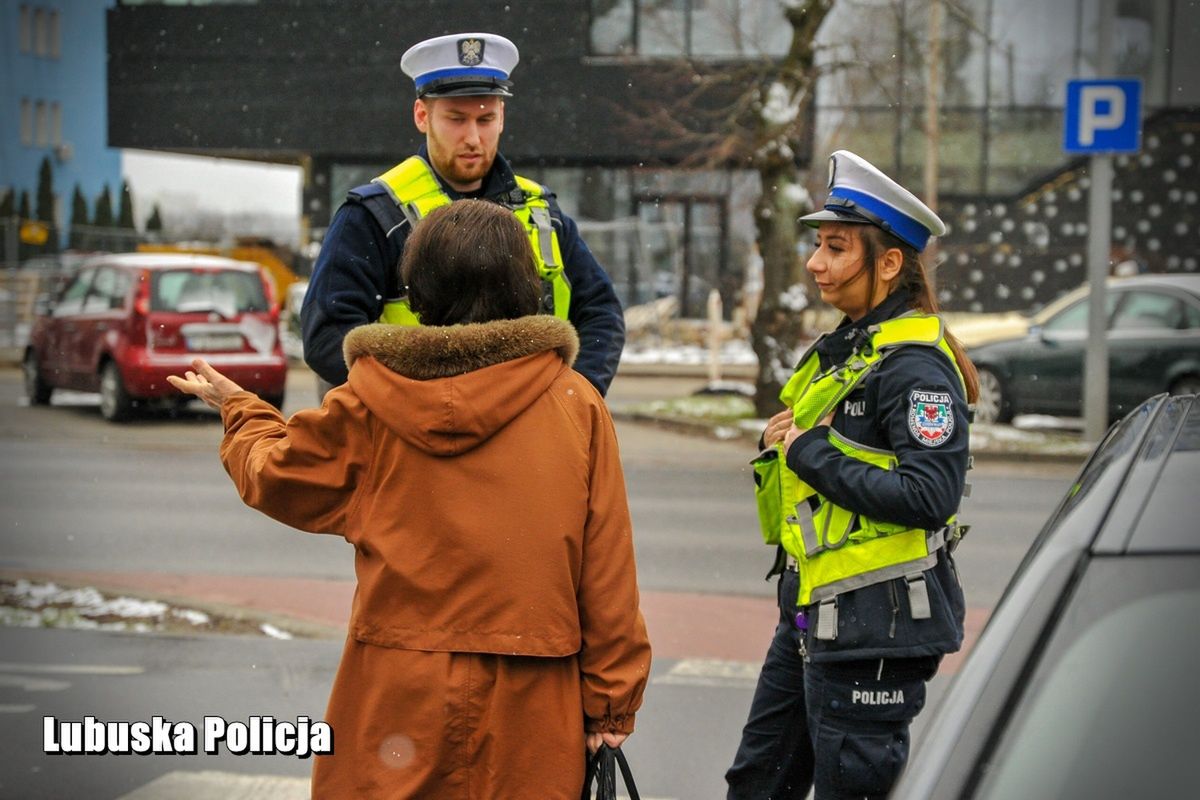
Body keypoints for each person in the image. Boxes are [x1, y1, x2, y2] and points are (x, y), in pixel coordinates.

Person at [170, 199, 651, 798]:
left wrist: (241, 411)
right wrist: (609, 705)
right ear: (526, 287)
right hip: (533, 688)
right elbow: (606, 568)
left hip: (398, 685)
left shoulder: (369, 401)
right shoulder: (576, 404)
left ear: (418, 291)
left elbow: (275, 474)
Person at [726, 150, 979, 800]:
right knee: (757, 784)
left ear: (889, 263)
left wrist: (810, 451)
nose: (815, 263)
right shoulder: (854, 347)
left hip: (877, 630)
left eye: (835, 248)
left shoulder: (916, 370)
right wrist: (782, 441)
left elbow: (930, 494)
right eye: (817, 245)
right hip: (815, 618)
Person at [301, 31, 625, 397]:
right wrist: (418, 407)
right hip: (418, 441)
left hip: (528, 438)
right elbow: (327, 337)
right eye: (456, 119)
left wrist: (571, 398)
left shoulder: (542, 211)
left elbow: (601, 314)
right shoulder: (374, 214)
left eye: (485, 120)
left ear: (502, 117)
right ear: (422, 115)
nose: (472, 137)